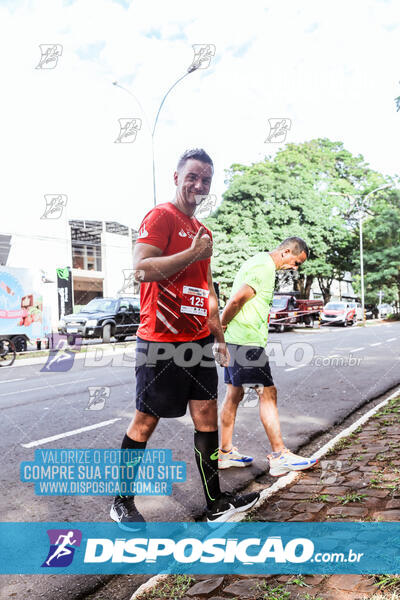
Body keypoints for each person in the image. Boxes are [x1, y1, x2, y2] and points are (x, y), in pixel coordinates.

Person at [110, 149, 259, 526]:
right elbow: (142, 269)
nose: (199, 185)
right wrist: (190, 252)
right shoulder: (161, 217)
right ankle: (121, 501)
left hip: (198, 342)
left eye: (206, 179)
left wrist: (220, 337)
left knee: (207, 417)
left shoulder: (204, 233)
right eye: (193, 177)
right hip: (160, 340)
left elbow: (207, 289)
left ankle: (215, 503)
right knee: (146, 420)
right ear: (177, 178)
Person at [219, 237, 318, 476]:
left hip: (238, 340)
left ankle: (224, 453)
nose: (295, 268)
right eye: (296, 262)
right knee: (268, 393)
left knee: (234, 393)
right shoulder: (264, 267)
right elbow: (237, 299)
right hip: (246, 342)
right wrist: (219, 328)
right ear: (286, 252)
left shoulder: (258, 262)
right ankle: (278, 455)